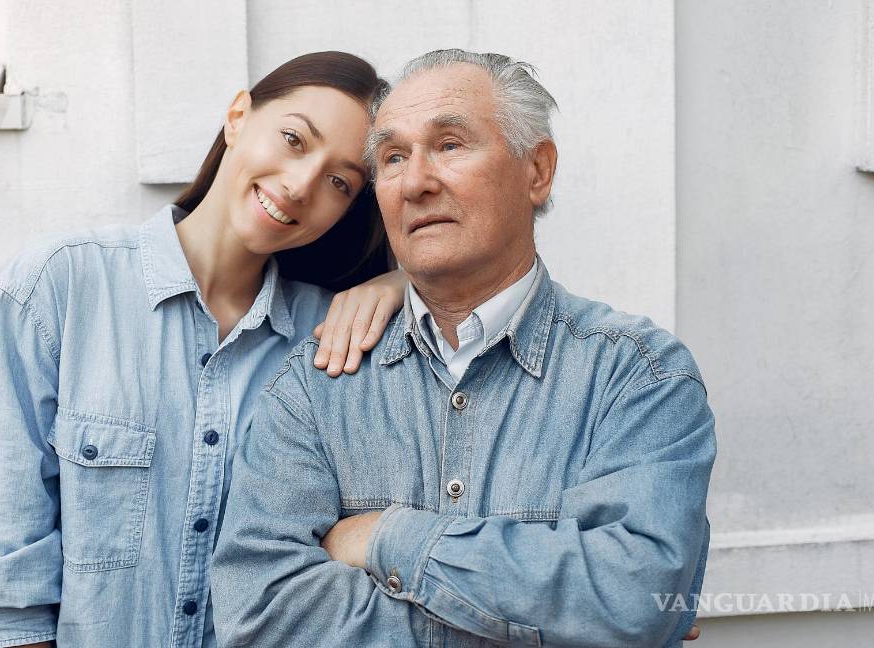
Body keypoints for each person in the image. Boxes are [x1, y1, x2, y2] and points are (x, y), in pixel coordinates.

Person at [210, 49, 715, 647]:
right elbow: (262, 616)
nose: (416, 182)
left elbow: (634, 598)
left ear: (537, 171)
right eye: (394, 158)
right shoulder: (314, 384)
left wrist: (384, 537)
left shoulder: (637, 376)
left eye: (449, 145)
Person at [0, 51, 406, 648]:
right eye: (293, 139)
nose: (301, 184)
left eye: (340, 182)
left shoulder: (330, 337)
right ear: (238, 116)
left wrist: (406, 283)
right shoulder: (62, 286)